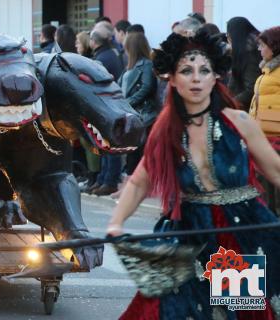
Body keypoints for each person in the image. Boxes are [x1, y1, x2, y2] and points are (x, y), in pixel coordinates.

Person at [107, 30, 280, 319]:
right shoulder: (165, 130)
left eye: (204, 70)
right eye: (187, 70)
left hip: (234, 236)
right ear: (172, 79)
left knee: (229, 312)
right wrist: (116, 224)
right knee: (172, 310)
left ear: (215, 78)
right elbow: (139, 181)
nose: (196, 78)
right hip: (188, 237)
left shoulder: (239, 122)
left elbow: (275, 169)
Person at [86, 23, 124, 195]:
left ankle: (108, 181)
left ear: (94, 42)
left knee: (109, 145)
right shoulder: (111, 54)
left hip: (107, 106)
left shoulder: (102, 59)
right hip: (111, 105)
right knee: (105, 144)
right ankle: (103, 179)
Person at [118, 32, 159, 176]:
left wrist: (129, 102)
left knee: (139, 151)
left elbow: (147, 87)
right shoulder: (130, 65)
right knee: (131, 151)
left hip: (143, 114)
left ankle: (137, 183)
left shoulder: (146, 64)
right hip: (131, 113)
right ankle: (129, 182)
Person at [249, 26, 280, 215]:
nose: (259, 49)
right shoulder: (268, 70)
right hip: (264, 135)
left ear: (274, 46)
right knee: (265, 187)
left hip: (275, 136)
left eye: (262, 45)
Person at [227, 16, 261, 110]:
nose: (228, 39)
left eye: (229, 35)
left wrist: (231, 103)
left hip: (246, 110)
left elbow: (251, 89)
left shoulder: (250, 54)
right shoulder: (244, 50)